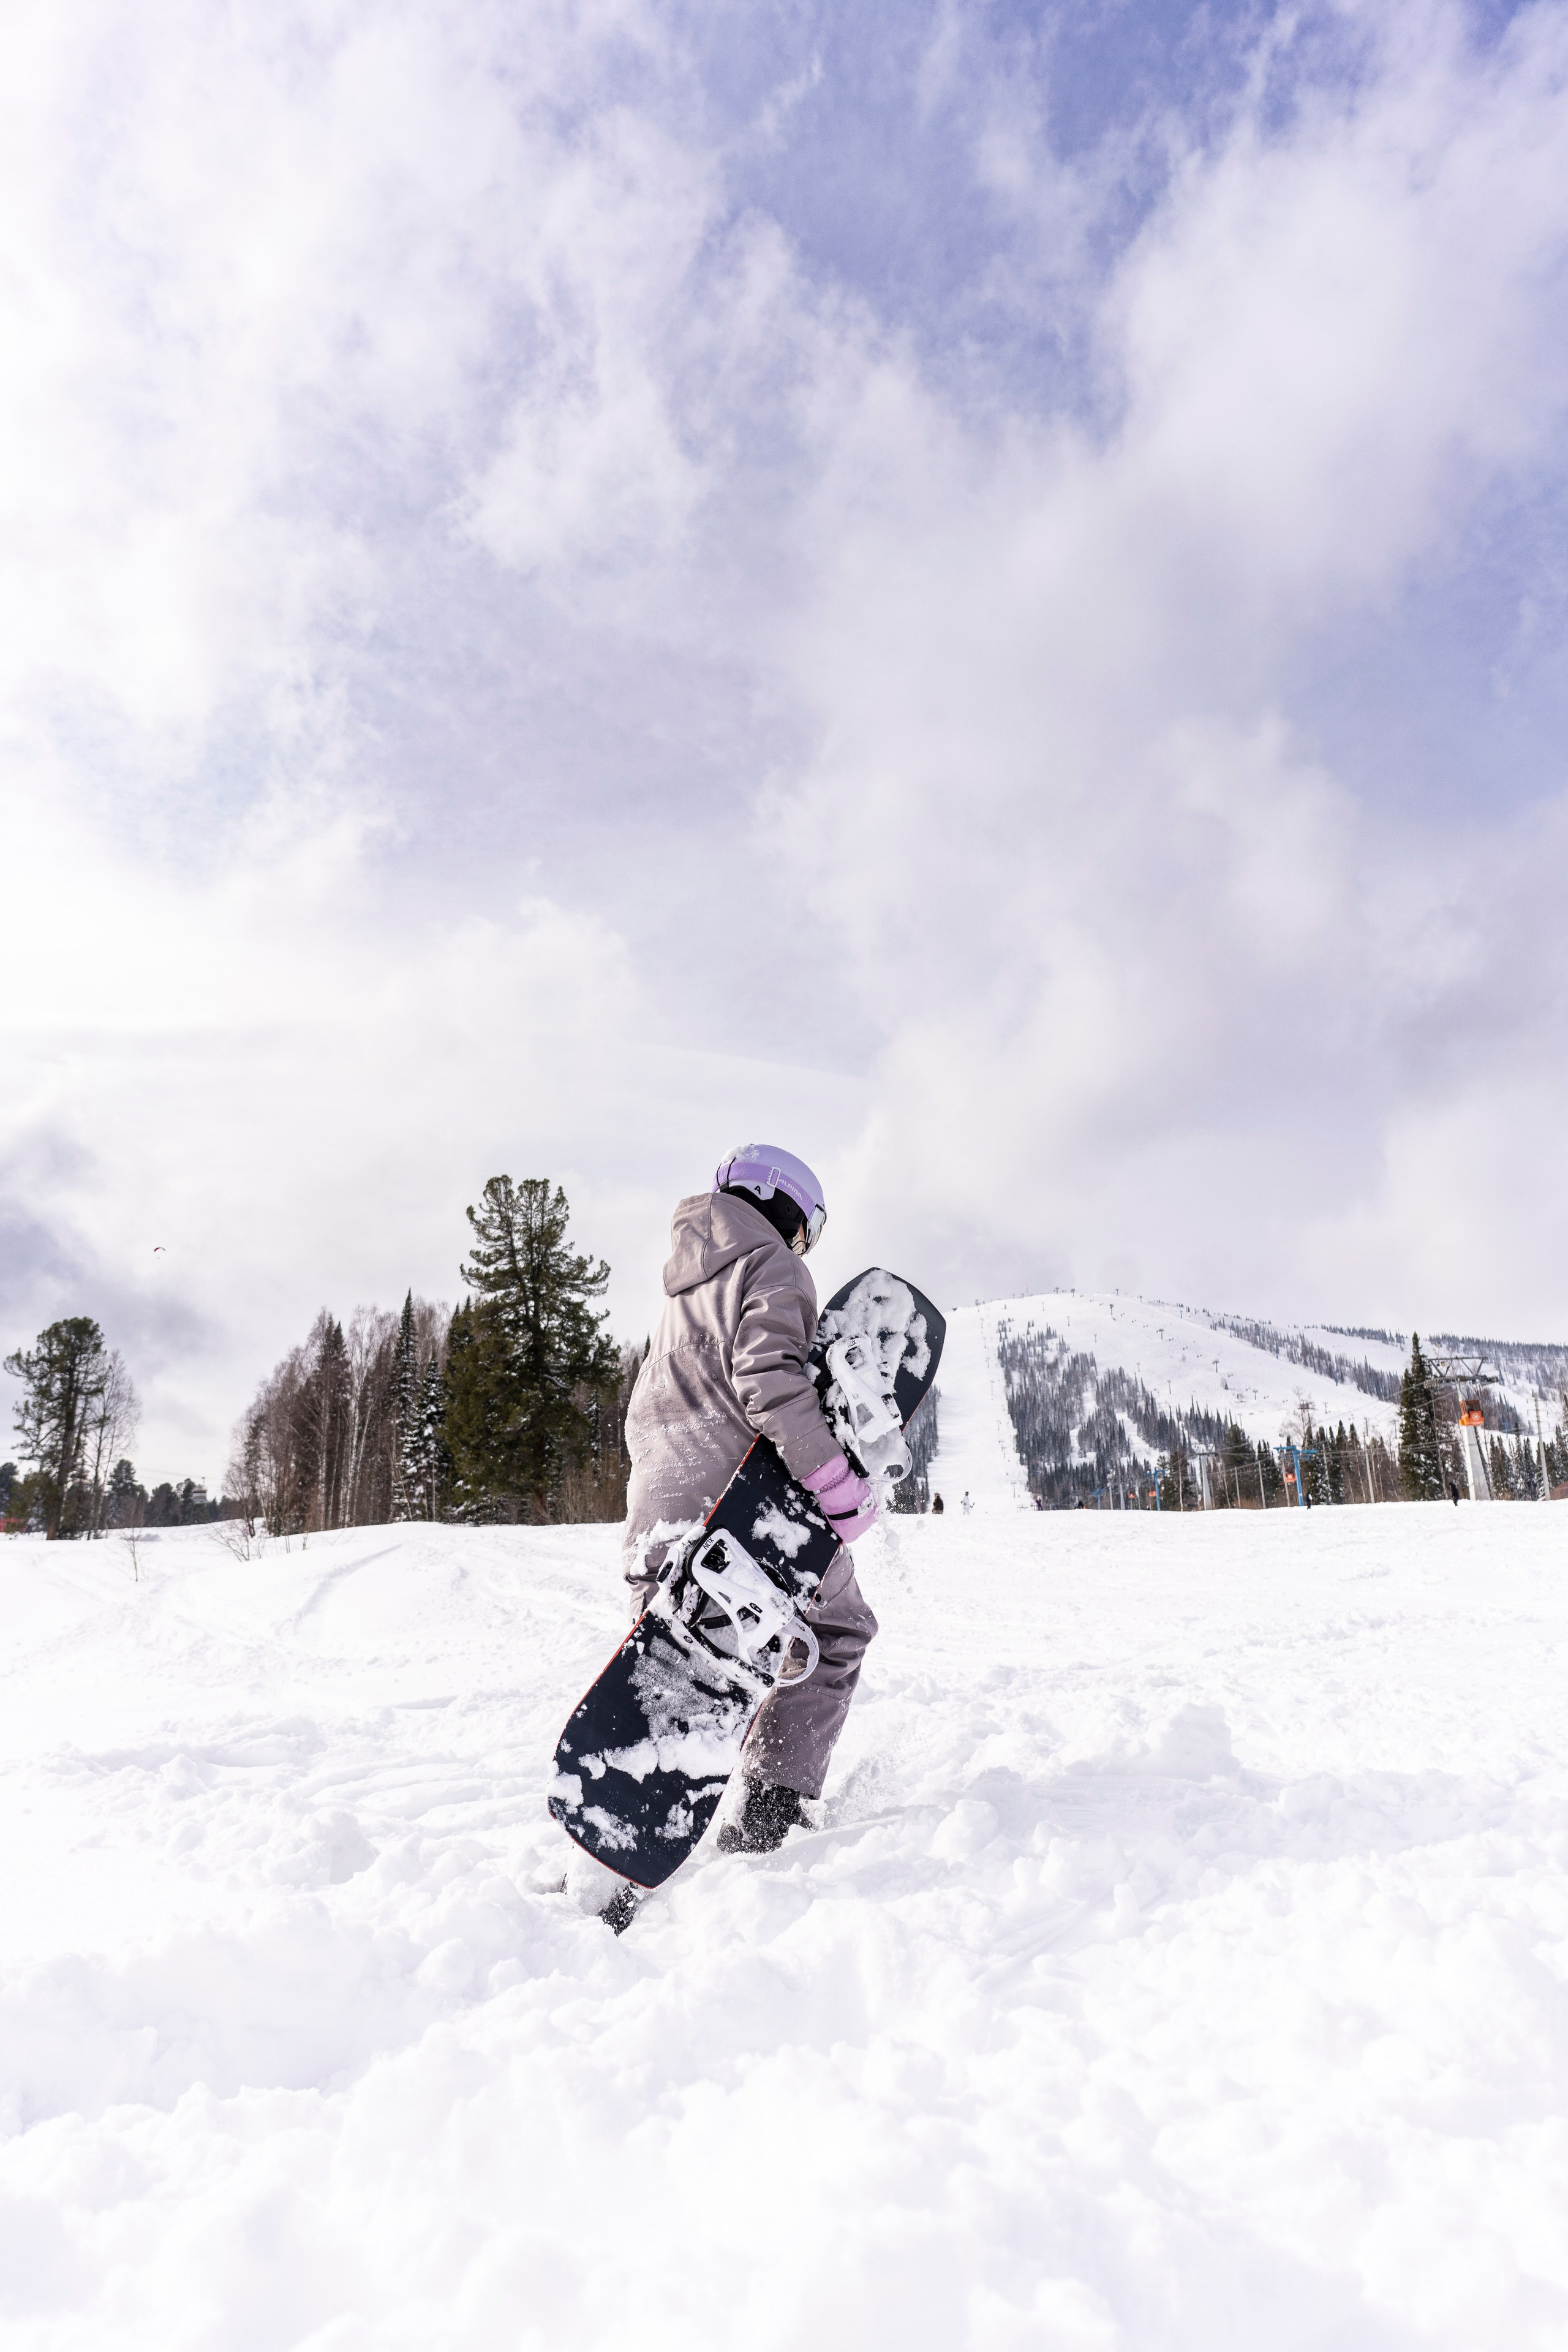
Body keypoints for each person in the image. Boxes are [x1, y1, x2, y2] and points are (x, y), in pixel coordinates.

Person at [617, 1145, 881, 1864]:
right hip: (733, 1508)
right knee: (836, 1634)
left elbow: (644, 1412)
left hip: (656, 1518)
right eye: (806, 1227)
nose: (803, 1245)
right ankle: (766, 1820)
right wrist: (835, 1487)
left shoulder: (679, 1297)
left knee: (678, 1655)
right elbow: (770, 1381)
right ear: (786, 1208)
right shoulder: (773, 1266)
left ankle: (617, 1824)